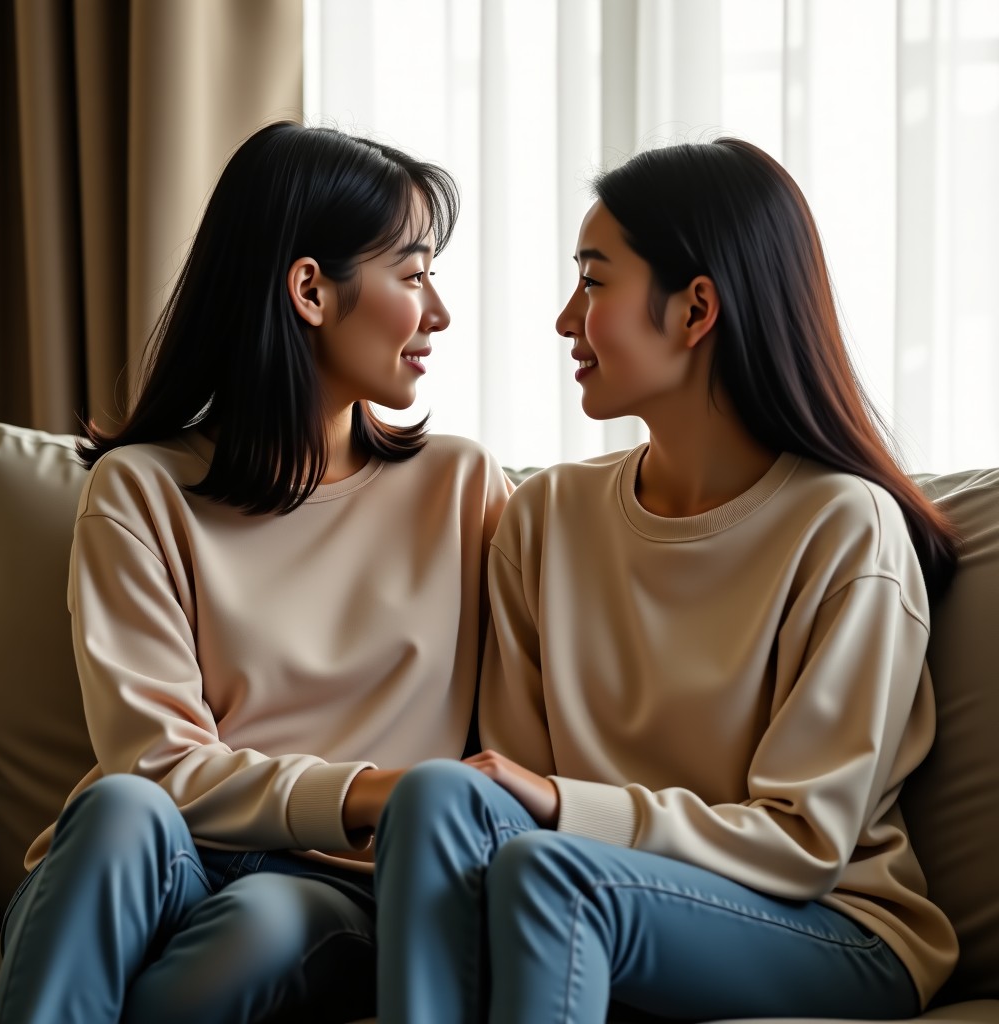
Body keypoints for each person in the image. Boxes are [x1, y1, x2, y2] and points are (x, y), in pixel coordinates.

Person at [374, 137, 960, 1023]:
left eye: (594, 280)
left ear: (695, 310)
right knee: (437, 791)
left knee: (549, 873)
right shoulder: (546, 519)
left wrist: (572, 809)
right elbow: (508, 795)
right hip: (584, 895)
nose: (566, 319)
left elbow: (806, 841)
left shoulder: (845, 526)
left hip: (833, 928)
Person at [0, 121, 510, 1024]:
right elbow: (153, 765)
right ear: (310, 290)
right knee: (117, 809)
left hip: (334, 883)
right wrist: (369, 789)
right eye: (415, 274)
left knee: (260, 926)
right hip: (150, 861)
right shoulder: (141, 490)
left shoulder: (461, 489)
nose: (438, 313)